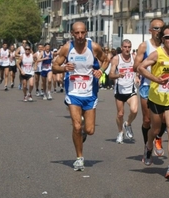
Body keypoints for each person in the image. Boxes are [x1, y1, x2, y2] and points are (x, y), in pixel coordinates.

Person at [52, 21, 109, 171]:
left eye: (82, 32)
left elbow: (106, 59)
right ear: (72, 34)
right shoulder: (67, 48)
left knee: (89, 130)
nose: (80, 36)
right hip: (73, 93)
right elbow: (54, 67)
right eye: (76, 33)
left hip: (90, 93)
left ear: (86, 32)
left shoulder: (94, 47)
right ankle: (79, 158)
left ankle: (82, 133)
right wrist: (64, 68)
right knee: (76, 126)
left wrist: (101, 71)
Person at [137, 24, 169, 180]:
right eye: (167, 37)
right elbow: (140, 68)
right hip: (157, 97)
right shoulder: (157, 54)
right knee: (156, 129)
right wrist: (156, 79)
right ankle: (149, 146)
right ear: (162, 39)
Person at [133, 18, 167, 157]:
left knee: (164, 119)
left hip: (164, 87)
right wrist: (149, 65)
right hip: (147, 86)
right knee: (147, 120)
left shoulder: (168, 46)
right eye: (156, 28)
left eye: (161, 29)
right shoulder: (144, 46)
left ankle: (158, 138)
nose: (159, 32)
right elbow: (136, 66)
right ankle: (147, 147)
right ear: (150, 30)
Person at [108, 39, 138, 144]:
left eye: (129, 47)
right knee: (120, 114)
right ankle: (120, 132)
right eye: (125, 47)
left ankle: (128, 124)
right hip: (120, 90)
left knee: (134, 110)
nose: (127, 49)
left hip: (131, 89)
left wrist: (137, 77)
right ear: (122, 47)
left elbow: (138, 69)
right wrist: (117, 75)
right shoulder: (116, 59)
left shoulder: (134, 58)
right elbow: (110, 75)